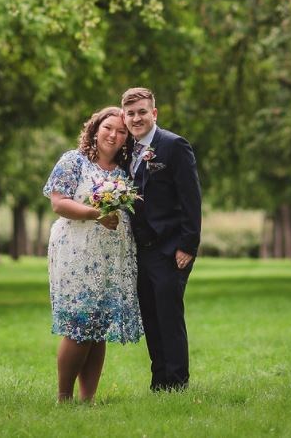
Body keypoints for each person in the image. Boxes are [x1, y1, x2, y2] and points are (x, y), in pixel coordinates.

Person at [42, 106, 143, 402]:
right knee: (80, 323)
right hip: (76, 252)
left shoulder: (125, 172)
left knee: (99, 325)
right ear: (95, 129)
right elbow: (59, 203)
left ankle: (88, 400)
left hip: (112, 254)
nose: (114, 134)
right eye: (108, 127)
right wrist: (95, 213)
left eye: (121, 131)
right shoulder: (73, 161)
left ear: (127, 138)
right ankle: (64, 397)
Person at [121, 87, 202, 392]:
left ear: (154, 113)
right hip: (139, 251)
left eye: (142, 112)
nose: (136, 118)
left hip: (170, 249)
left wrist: (187, 245)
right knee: (151, 318)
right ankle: (160, 382)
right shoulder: (126, 149)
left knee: (169, 317)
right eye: (131, 113)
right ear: (124, 116)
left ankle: (178, 383)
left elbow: (191, 198)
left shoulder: (173, 146)